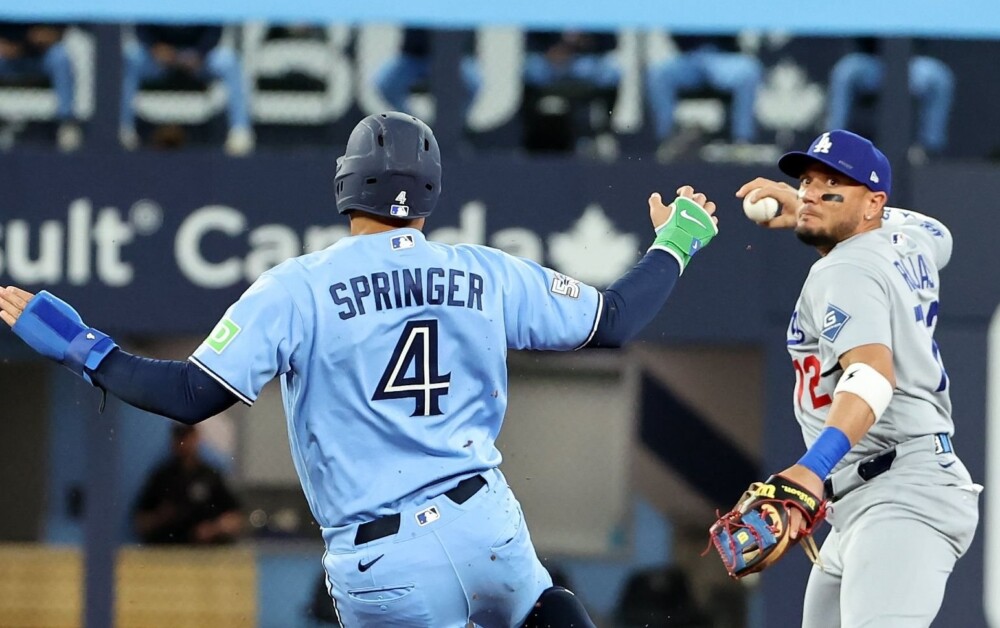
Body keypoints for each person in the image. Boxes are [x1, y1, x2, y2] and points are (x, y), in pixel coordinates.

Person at [0, 111, 720, 627]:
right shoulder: (481, 271)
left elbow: (190, 394)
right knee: (544, 609)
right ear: (431, 190)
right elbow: (616, 320)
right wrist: (677, 242)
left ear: (346, 183)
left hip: (383, 563)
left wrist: (85, 349)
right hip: (486, 526)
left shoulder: (298, 286)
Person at [734, 129, 981, 627]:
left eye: (833, 185)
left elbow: (869, 376)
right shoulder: (907, 240)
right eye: (806, 182)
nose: (810, 193)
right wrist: (823, 205)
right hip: (874, 497)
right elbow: (941, 234)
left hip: (900, 495)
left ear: (873, 204)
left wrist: (811, 468)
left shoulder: (843, 269)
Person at [120, 24, 254, 156]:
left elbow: (214, 25)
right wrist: (155, 46)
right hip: (158, 56)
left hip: (198, 57)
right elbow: (142, 23)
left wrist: (200, 52)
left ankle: (240, 131)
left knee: (228, 61)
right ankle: (124, 129)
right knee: (132, 59)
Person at [826, 38, 954, 163]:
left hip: (910, 63)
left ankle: (927, 149)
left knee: (939, 77)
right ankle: (834, 144)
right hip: (873, 62)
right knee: (845, 71)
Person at [645, 35, 763, 163]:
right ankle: (668, 141)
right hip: (690, 56)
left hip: (723, 56)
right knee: (658, 74)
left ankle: (742, 142)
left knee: (749, 71)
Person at [133, 424, 243, 545]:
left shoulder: (210, 476)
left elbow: (235, 518)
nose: (184, 443)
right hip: (168, 552)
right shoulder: (162, 477)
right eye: (180, 438)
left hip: (206, 553)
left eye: (187, 437)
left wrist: (213, 529)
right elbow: (140, 522)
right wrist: (161, 517)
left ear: (196, 438)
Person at [0, 22, 81, 152]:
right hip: (9, 55)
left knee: (60, 57)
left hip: (41, 56)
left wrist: (48, 36)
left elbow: (61, 29)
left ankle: (65, 123)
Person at [373, 28, 481, 121]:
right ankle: (412, 125)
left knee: (473, 86)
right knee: (385, 84)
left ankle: (451, 127)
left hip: (455, 57)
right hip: (414, 57)